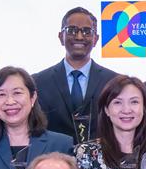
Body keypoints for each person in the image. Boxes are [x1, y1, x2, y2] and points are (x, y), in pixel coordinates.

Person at [33, 7, 116, 145]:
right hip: (53, 161)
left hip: (102, 161)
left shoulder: (114, 82)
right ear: (61, 37)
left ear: (95, 39)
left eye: (86, 31)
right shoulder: (38, 82)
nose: (79, 36)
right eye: (71, 30)